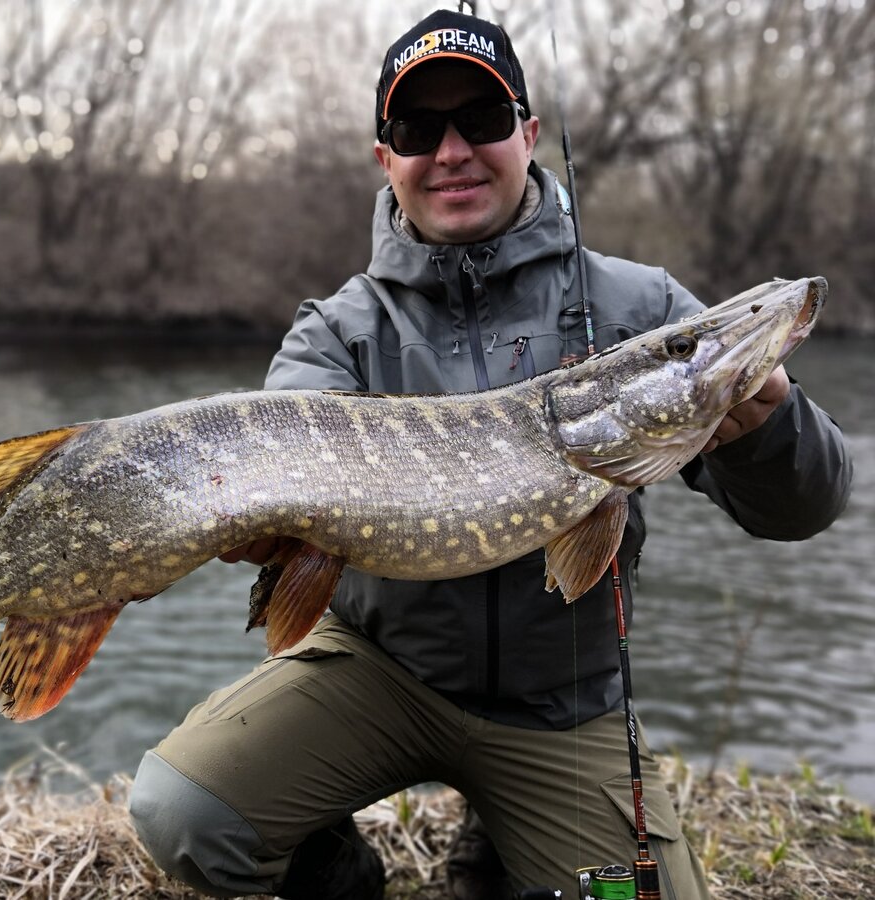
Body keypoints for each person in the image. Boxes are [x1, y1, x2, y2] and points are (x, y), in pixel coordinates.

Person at [128, 9, 853, 899]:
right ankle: (343, 876)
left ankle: (504, 845)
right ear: (384, 156)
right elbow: (278, 476)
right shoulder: (337, 332)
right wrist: (258, 528)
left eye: (481, 119)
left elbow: (804, 509)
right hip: (379, 671)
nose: (453, 150)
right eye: (417, 128)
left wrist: (769, 430)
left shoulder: (641, 307)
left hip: (564, 705)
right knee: (183, 813)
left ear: (529, 134)